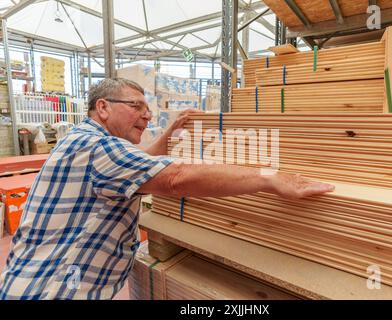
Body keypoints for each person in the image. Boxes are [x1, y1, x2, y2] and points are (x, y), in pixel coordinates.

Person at [0, 78, 334, 300]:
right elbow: (175, 179)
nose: (146, 115)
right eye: (136, 106)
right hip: (50, 290)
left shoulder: (86, 141)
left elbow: (138, 165)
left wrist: (171, 131)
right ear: (103, 107)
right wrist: (267, 178)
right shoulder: (97, 148)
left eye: (148, 109)